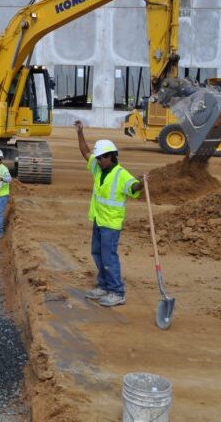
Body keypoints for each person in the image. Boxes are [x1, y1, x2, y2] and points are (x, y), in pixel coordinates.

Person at [74, 120, 142, 308]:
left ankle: (117, 292)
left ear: (111, 157)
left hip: (111, 224)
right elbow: (85, 152)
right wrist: (80, 132)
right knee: (97, 253)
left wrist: (142, 182)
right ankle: (103, 286)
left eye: (101, 158)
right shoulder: (97, 167)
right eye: (97, 158)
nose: (97, 160)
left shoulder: (121, 174)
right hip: (98, 219)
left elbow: (133, 187)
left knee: (109, 257)